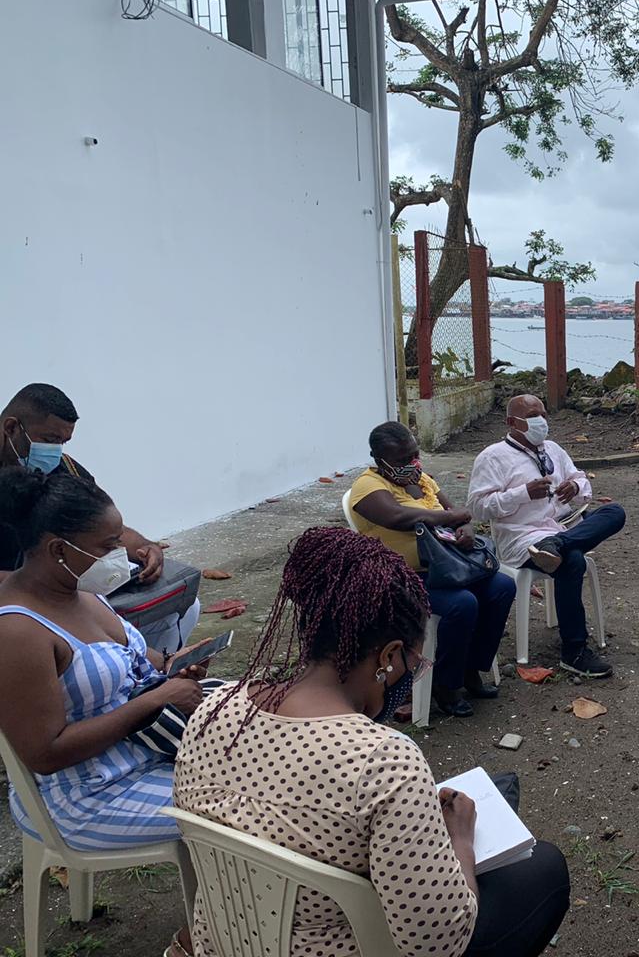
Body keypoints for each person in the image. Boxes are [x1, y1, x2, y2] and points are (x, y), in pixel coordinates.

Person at [176, 528, 570, 957]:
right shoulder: (384, 761)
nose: (410, 675)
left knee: (501, 787)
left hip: (227, 941)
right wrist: (460, 841)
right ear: (387, 656)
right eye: (413, 663)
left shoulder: (214, 710)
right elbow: (437, 944)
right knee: (543, 867)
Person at [0, 469, 207, 957]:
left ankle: (228, 920)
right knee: (242, 817)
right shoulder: (18, 632)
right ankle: (202, 939)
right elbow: (45, 753)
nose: (121, 555)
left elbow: (140, 663)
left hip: (144, 756)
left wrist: (175, 664)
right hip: (85, 795)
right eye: (109, 545)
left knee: (262, 770)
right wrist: (153, 701)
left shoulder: (85, 595)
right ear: (58, 549)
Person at [0, 383, 200, 654]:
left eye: (62, 442)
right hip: (24, 597)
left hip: (57, 588)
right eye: (49, 439)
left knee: (181, 605)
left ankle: (150, 673)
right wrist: (42, 585)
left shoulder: (61, 468)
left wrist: (145, 548)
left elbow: (97, 522)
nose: (55, 451)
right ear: (11, 428)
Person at [348, 421, 514, 717]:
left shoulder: (422, 479)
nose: (413, 463)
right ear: (379, 459)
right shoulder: (367, 486)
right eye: (403, 459)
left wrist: (466, 529)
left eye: (415, 454)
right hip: (400, 578)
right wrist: (450, 518)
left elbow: (458, 516)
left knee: (502, 587)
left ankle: (471, 669)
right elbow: (398, 517)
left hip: (446, 566)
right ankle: (445, 684)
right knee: (462, 604)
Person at [467, 395, 625, 678]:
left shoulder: (553, 449)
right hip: (521, 539)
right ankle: (574, 651)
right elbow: (478, 507)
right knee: (572, 560)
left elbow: (581, 479)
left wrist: (575, 488)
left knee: (614, 512)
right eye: (532, 416)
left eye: (543, 414)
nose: (541, 421)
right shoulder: (492, 457)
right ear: (512, 422)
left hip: (561, 529)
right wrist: (522, 493)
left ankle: (557, 544)